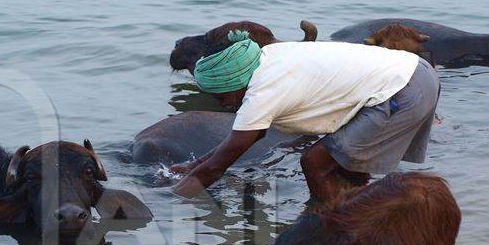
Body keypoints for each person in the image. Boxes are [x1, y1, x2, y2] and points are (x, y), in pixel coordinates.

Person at [171, 29, 440, 201]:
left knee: (314, 162)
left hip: (401, 89)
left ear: (235, 82)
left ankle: (329, 228)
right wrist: (192, 167)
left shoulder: (263, 90)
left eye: (222, 97)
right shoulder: (268, 56)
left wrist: (170, 199)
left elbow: (221, 162)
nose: (225, 104)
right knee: (347, 169)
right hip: (415, 71)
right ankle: (359, 215)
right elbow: (239, 142)